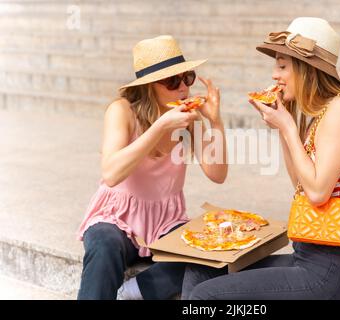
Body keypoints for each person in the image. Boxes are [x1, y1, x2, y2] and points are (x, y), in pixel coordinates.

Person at [182, 17, 340, 300]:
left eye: (282, 65)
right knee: (203, 269)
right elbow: (300, 184)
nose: (274, 74)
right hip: (306, 260)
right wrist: (282, 128)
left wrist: (287, 126)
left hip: (331, 273)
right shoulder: (320, 116)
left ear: (307, 68)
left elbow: (317, 192)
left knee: (206, 297)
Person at [76, 35, 228, 300]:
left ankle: (134, 292)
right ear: (149, 86)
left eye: (187, 77)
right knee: (104, 245)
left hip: (166, 220)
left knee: (209, 252)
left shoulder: (188, 117)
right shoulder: (121, 111)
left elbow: (218, 174)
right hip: (117, 217)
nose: (183, 88)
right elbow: (110, 174)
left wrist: (215, 122)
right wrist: (160, 127)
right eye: (172, 81)